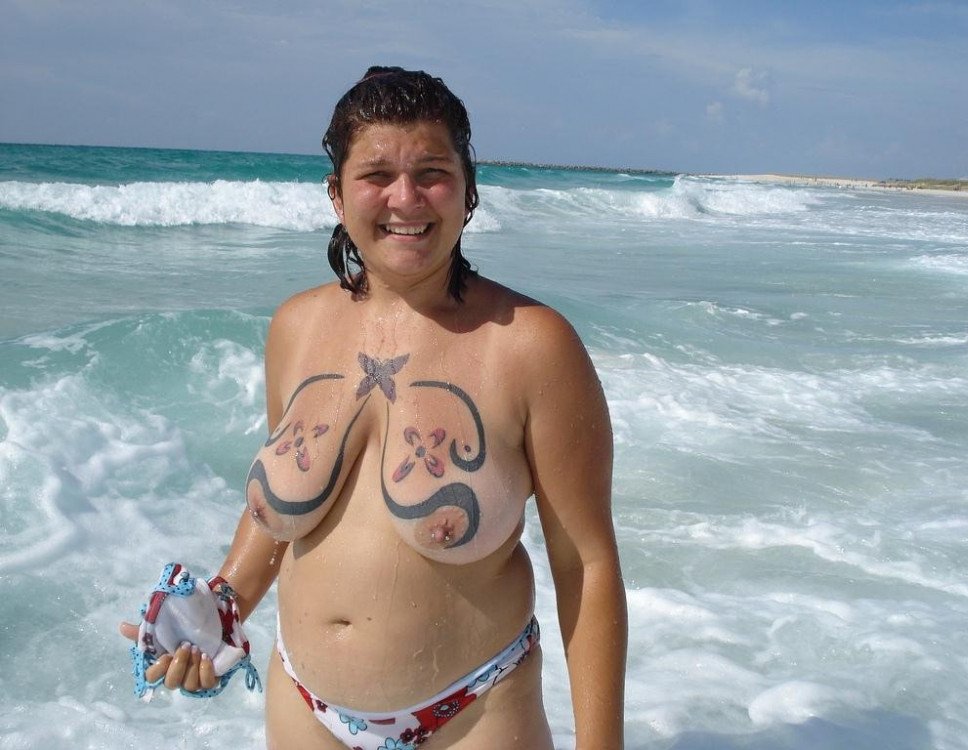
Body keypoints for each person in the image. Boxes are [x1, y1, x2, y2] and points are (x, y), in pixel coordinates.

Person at [121, 66, 627, 749]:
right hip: (303, 706)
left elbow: (586, 565)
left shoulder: (531, 345)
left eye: (432, 172)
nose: (405, 198)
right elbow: (290, 503)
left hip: (473, 712)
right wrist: (222, 606)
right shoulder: (295, 326)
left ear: (469, 190)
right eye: (377, 174)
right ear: (336, 193)